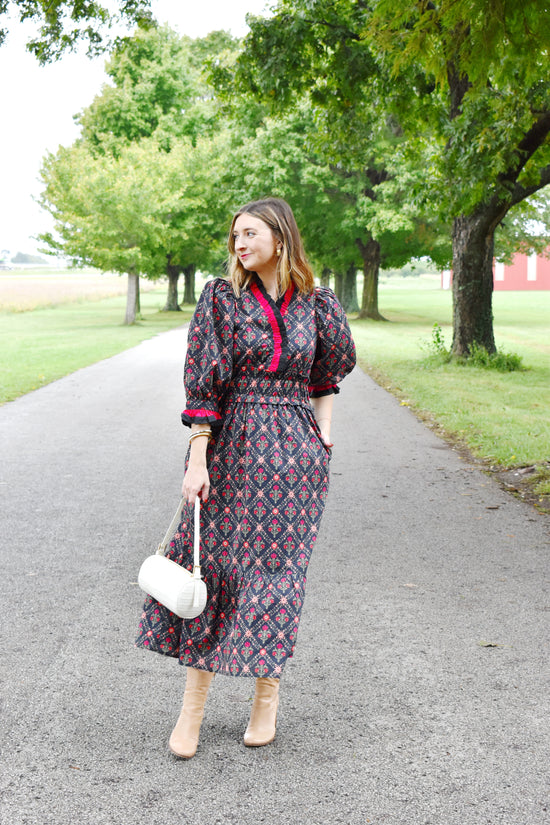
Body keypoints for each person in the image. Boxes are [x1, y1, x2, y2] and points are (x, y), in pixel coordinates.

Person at [136, 197, 356, 758]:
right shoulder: (220, 299)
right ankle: (192, 712)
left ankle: (266, 700)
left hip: (296, 462)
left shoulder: (319, 305)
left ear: (280, 238)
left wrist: (323, 433)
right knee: (215, 571)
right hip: (233, 447)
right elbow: (202, 386)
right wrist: (197, 456)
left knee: (279, 578)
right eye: (235, 233)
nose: (239, 242)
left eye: (250, 232)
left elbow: (327, 373)